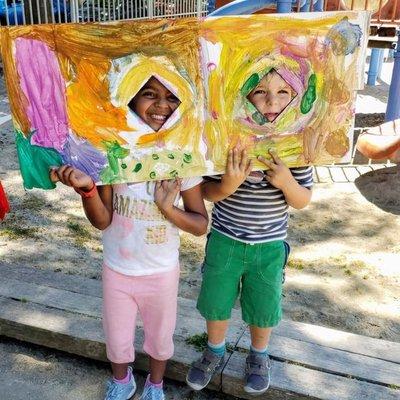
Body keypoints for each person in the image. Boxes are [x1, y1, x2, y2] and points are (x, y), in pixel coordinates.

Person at [51, 76, 208, 400]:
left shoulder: (183, 158)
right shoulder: (113, 152)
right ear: (131, 99)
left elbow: (199, 224)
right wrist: (88, 190)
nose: (162, 104)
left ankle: (155, 384)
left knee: (160, 337)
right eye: (149, 94)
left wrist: (168, 208)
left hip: (161, 272)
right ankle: (122, 381)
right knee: (117, 335)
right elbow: (102, 220)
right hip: (118, 269)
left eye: (171, 97)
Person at [186, 146, 313, 396]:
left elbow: (303, 200)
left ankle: (259, 354)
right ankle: (215, 348)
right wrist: (227, 186)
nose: (270, 104)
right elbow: (206, 190)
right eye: (263, 101)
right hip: (225, 241)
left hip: (269, 247)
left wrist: (287, 183)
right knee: (216, 298)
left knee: (263, 303)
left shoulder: (295, 147)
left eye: (277, 101)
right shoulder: (227, 142)